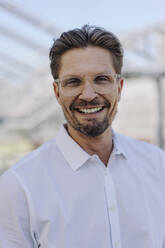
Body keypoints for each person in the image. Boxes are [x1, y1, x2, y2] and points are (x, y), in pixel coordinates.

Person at [0, 24, 165, 248]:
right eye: (73, 82)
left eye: (101, 79)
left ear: (120, 87)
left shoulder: (158, 165)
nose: (88, 95)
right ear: (57, 93)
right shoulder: (19, 187)